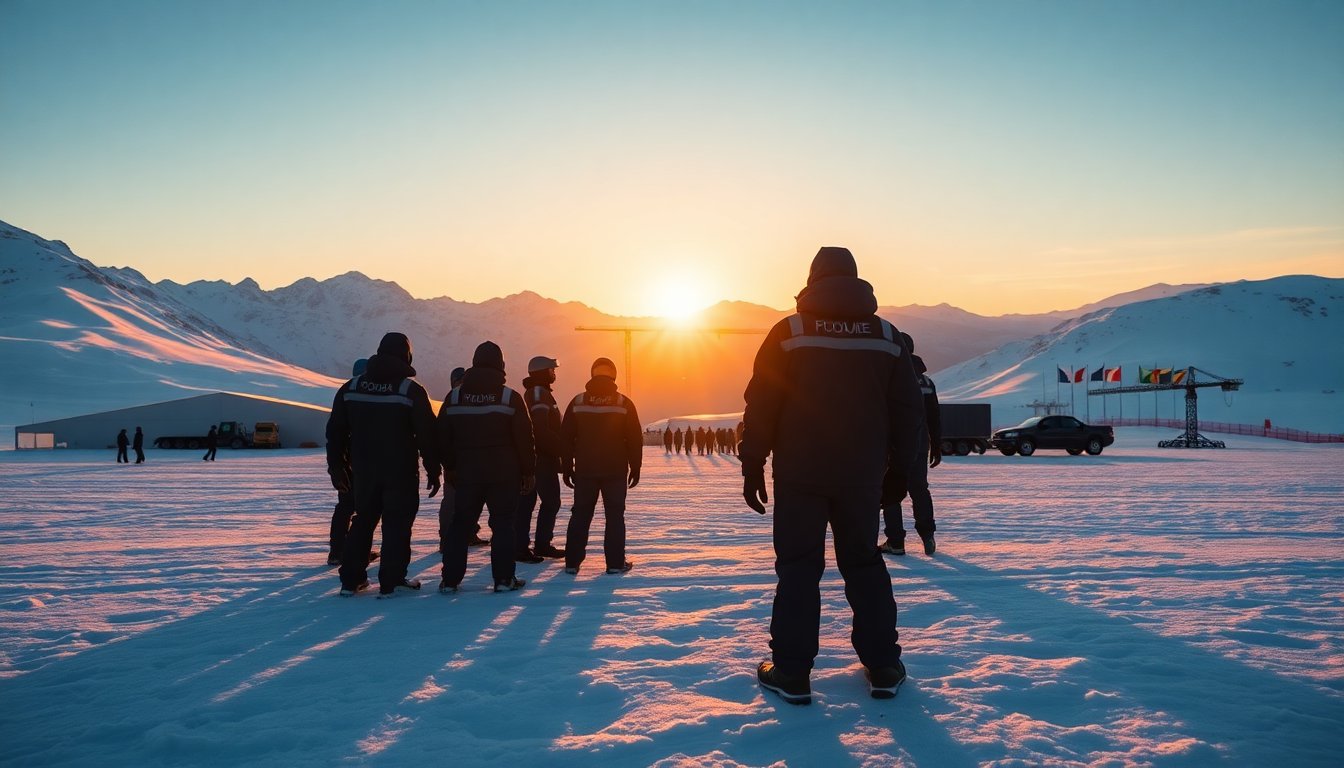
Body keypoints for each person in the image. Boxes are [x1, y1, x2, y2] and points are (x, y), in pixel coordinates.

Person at [740, 246, 924, 704]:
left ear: (812, 280)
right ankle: (883, 665)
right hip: (861, 476)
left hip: (800, 473)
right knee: (863, 563)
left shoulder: (790, 331)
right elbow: (908, 411)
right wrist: (901, 471)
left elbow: (762, 402)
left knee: (799, 567)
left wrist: (752, 462)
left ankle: (792, 672)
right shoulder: (887, 335)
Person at [326, 332, 440, 597]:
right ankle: (392, 580)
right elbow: (427, 435)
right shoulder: (410, 390)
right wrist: (434, 469)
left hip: (363, 470)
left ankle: (350, 580)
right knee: (397, 523)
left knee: (363, 520)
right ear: (406, 356)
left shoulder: (351, 388)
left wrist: (337, 467)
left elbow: (335, 432)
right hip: (400, 470)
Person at [437, 341, 535, 593]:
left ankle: (450, 580)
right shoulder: (509, 397)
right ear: (501, 365)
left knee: (460, 524)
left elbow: (442, 436)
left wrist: (450, 466)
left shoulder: (454, 397)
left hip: (466, 474)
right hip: (504, 474)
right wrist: (528, 471)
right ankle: (503, 579)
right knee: (503, 525)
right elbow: (524, 438)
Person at [560, 357, 642, 575]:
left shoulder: (578, 401)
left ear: (592, 374)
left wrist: (567, 466)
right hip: (615, 470)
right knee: (614, 516)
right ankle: (615, 564)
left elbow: (565, 437)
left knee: (580, 514)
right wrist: (636, 466)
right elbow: (634, 438)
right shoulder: (623, 403)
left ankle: (572, 562)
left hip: (585, 470)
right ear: (613, 375)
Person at [881, 332, 941, 556]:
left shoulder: (888, 376)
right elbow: (934, 417)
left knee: (890, 490)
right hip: (920, 444)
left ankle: (895, 541)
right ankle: (928, 535)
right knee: (919, 489)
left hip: (893, 445)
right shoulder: (927, 382)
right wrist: (936, 445)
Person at [328, 358, 379, 567]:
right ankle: (356, 552)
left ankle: (337, 550)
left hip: (346, 461)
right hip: (365, 462)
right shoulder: (371, 395)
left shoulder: (346, 393)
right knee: (366, 509)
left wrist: (336, 466)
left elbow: (334, 433)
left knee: (345, 505)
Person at [518, 355, 566, 560]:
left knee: (532, 502)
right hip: (542, 458)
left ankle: (529, 544)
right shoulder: (538, 393)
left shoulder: (540, 392)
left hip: (543, 456)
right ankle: (534, 545)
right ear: (542, 372)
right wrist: (562, 449)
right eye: (551, 370)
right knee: (547, 501)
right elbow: (540, 429)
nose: (554, 373)